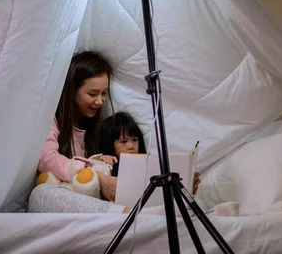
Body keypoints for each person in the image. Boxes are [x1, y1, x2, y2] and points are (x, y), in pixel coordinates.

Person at [28, 51, 128, 214]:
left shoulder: (98, 127)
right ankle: (125, 215)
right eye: (92, 94)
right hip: (64, 199)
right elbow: (47, 158)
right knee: (40, 194)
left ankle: (128, 213)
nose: (100, 101)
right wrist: (97, 179)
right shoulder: (52, 120)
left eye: (103, 93)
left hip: (92, 202)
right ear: (72, 91)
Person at [100, 111, 200, 194]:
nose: (131, 146)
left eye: (134, 140)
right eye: (123, 141)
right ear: (109, 144)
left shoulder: (149, 165)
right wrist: (100, 161)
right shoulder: (106, 165)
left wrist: (186, 185)